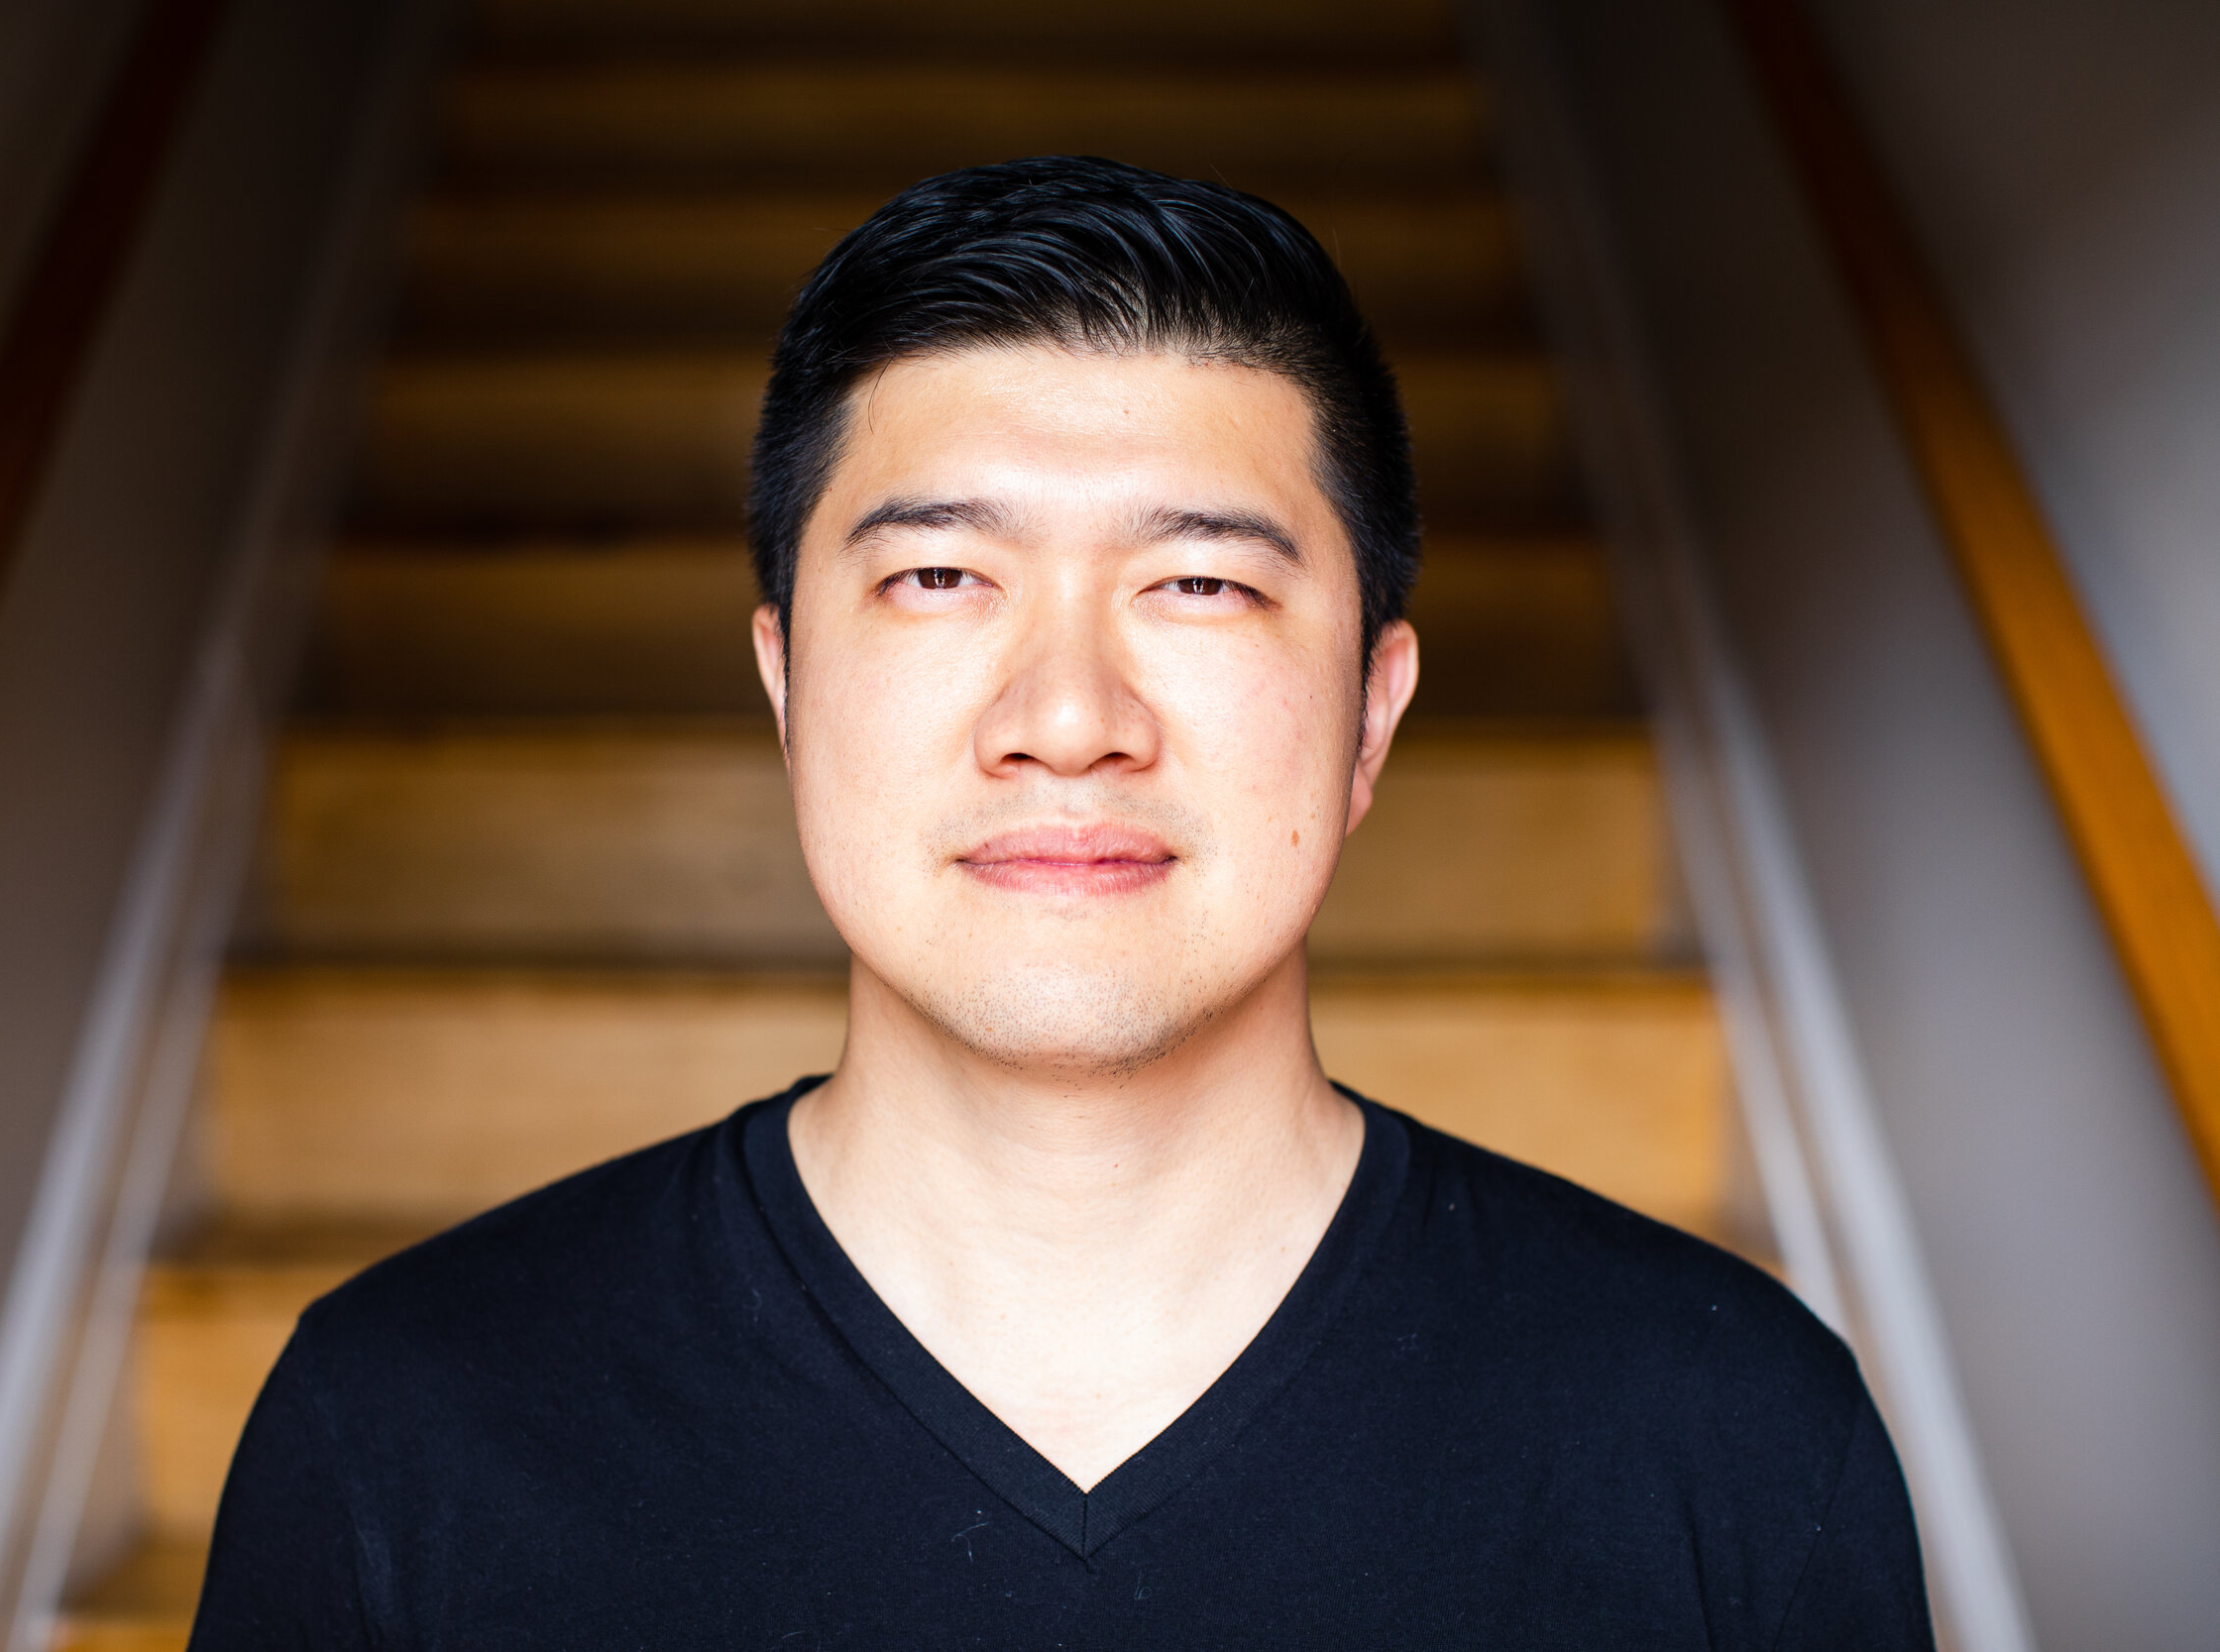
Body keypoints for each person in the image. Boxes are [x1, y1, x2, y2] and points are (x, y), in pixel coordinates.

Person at [189, 156, 1932, 1649]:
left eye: (1199, 582)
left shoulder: (1729, 1436)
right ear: (788, 687)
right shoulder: (403, 1427)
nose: (1069, 721)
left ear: (1373, 712)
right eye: (942, 576)